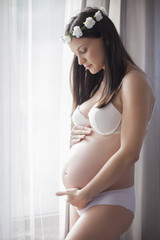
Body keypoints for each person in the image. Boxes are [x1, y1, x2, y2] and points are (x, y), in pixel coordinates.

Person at [56, 7, 155, 240]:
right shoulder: (100, 82)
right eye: (76, 55)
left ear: (107, 39)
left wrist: (86, 194)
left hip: (109, 198)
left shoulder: (134, 81)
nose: (80, 61)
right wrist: (76, 140)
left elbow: (130, 153)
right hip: (83, 196)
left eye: (83, 50)